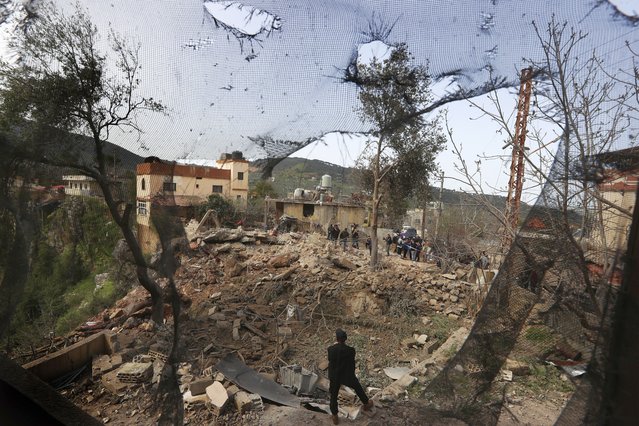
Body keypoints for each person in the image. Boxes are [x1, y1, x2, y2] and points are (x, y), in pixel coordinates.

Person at [328, 329, 373, 424]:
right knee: (357, 387)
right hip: (347, 375)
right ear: (345, 339)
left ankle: (335, 416)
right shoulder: (351, 351)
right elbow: (351, 363)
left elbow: (331, 361)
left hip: (335, 376)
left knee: (333, 395)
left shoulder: (331, 350)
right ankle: (366, 403)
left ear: (337, 338)